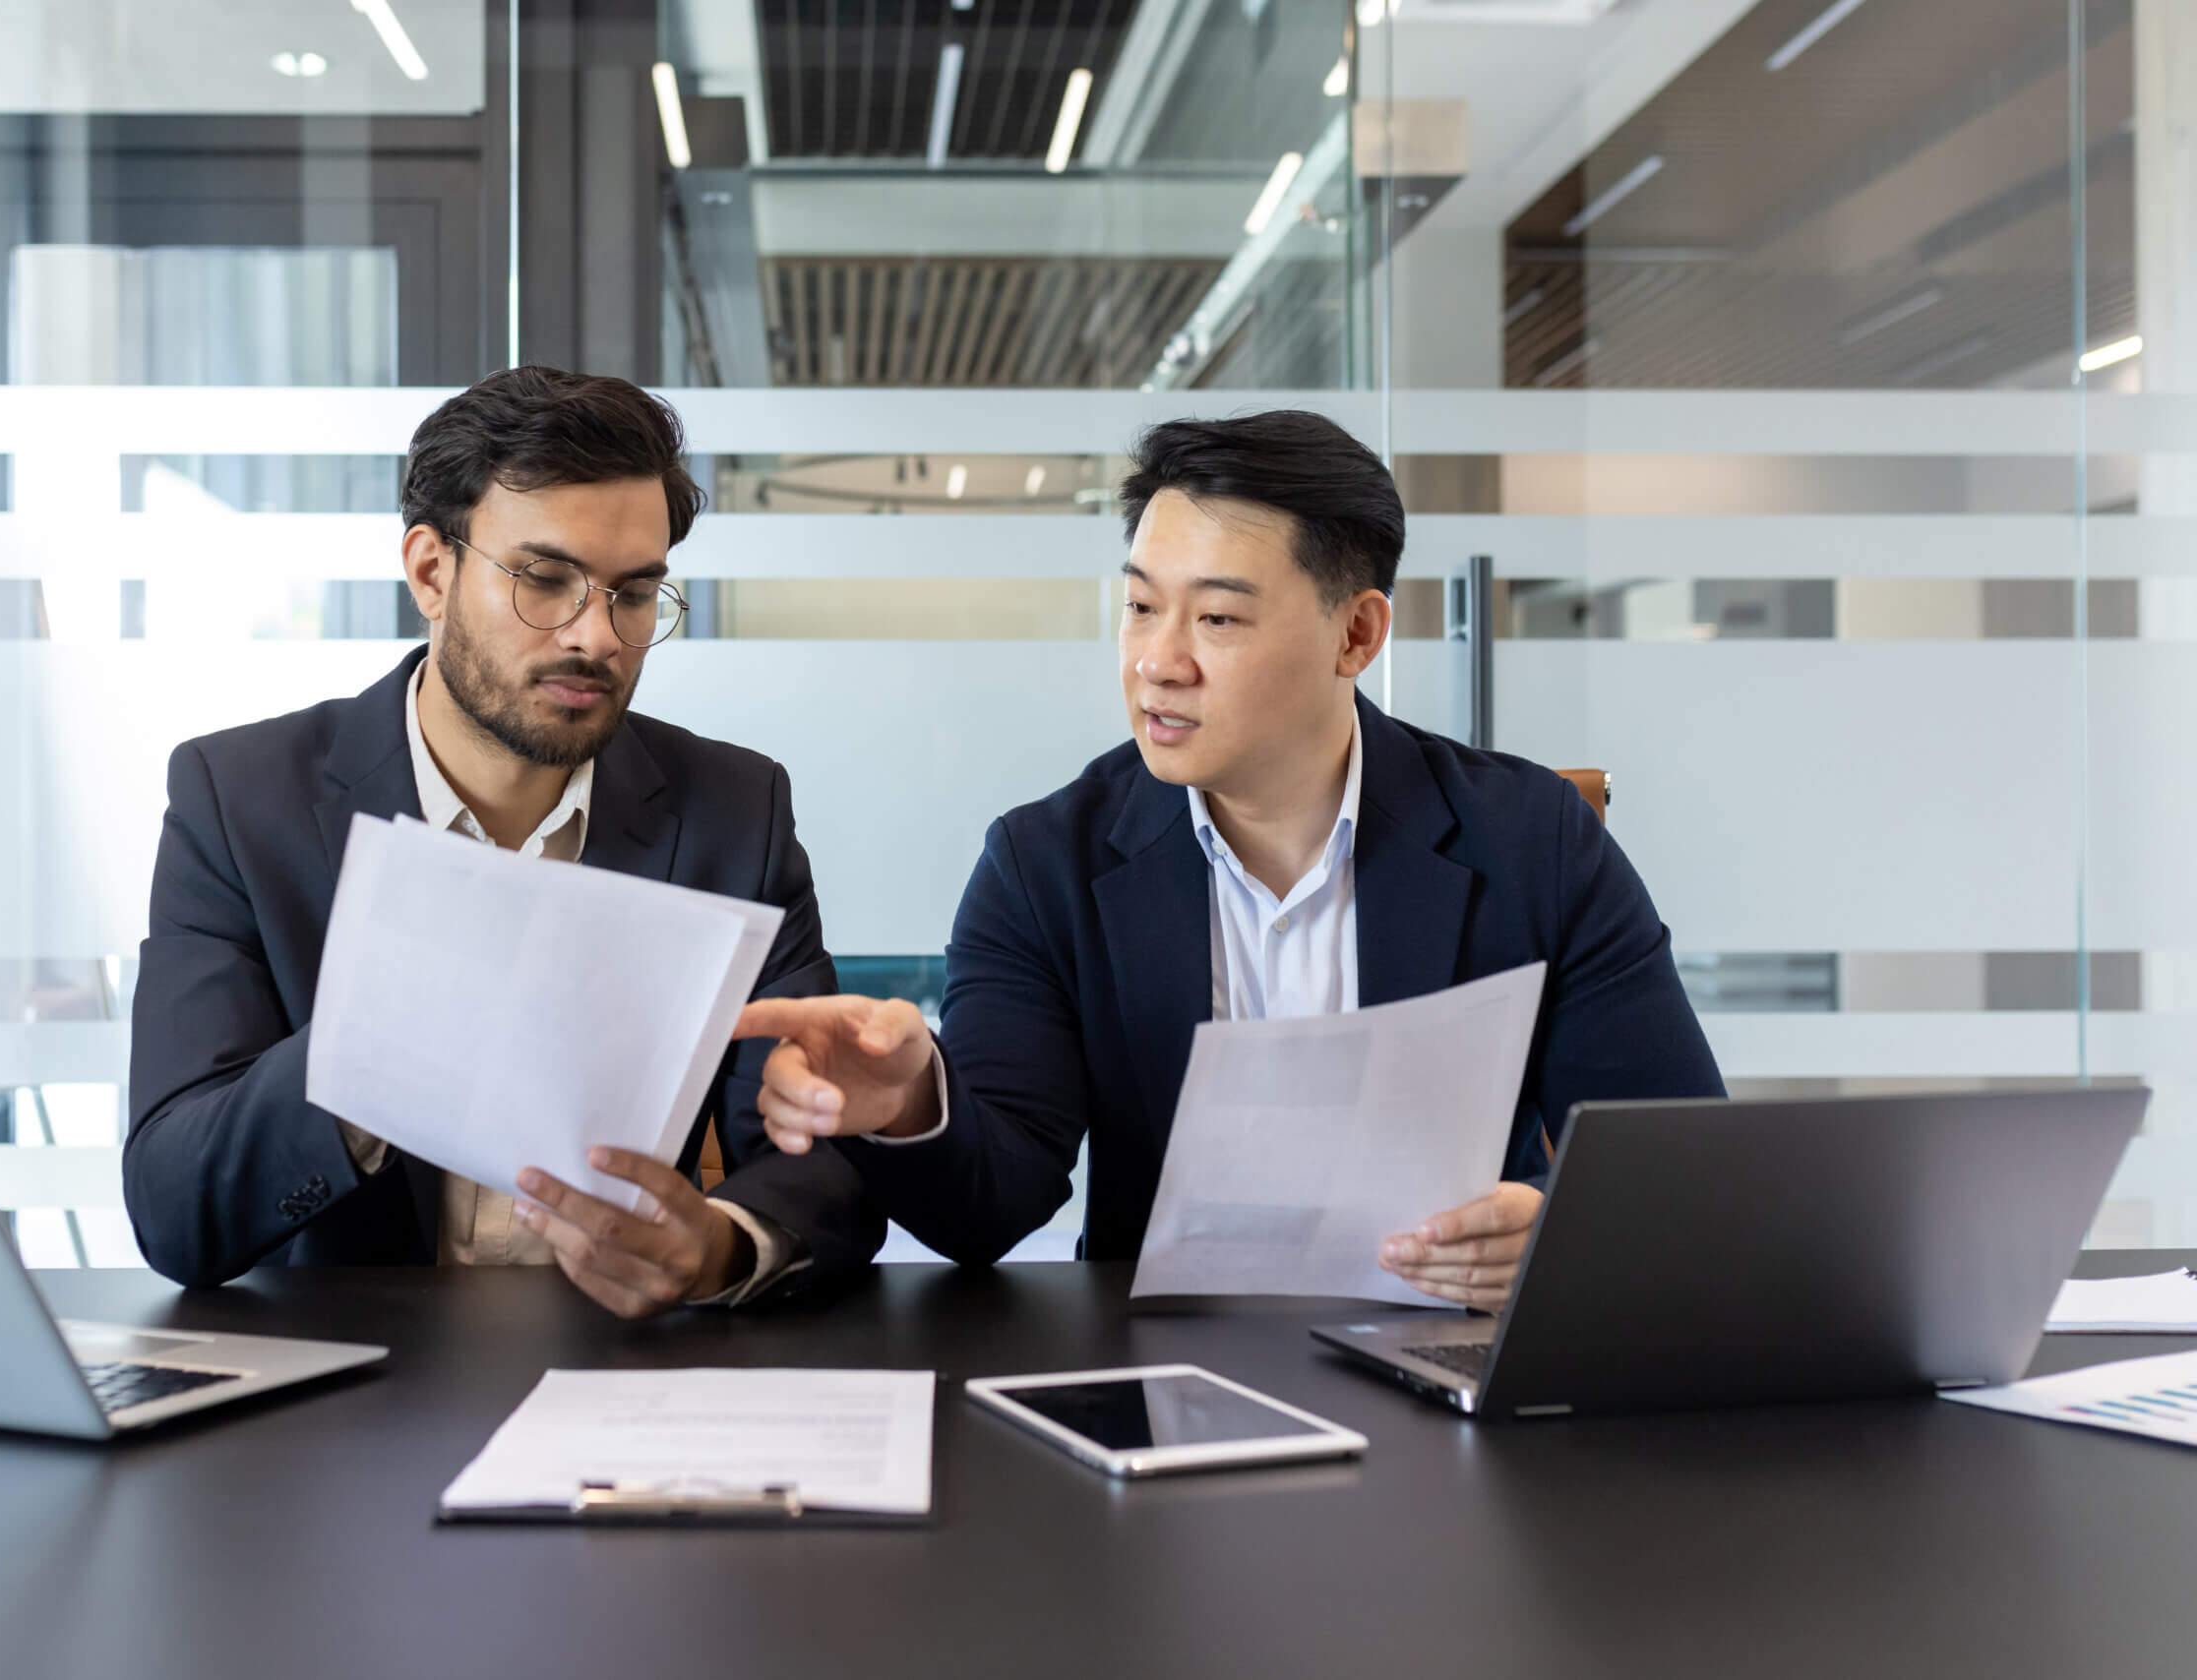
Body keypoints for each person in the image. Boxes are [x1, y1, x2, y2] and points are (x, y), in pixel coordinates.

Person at [736, 410, 1723, 1308]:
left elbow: (1674, 1160)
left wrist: (1553, 1230)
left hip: (1446, 1357)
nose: (1157, 660)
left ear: (1357, 632)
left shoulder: (1532, 838)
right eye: (1138, 608)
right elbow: (990, 1208)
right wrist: (911, 1102)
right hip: (1166, 1373)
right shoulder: (1044, 863)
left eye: (1215, 618)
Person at [124, 366, 881, 1315]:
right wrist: (389, 1034)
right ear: (431, 572)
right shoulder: (240, 801)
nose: (597, 636)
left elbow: (826, 1167)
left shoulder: (736, 810)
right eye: (546, 579)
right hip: (353, 1393)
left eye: (634, 594)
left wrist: (720, 1248)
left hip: (620, 1379)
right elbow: (173, 1207)